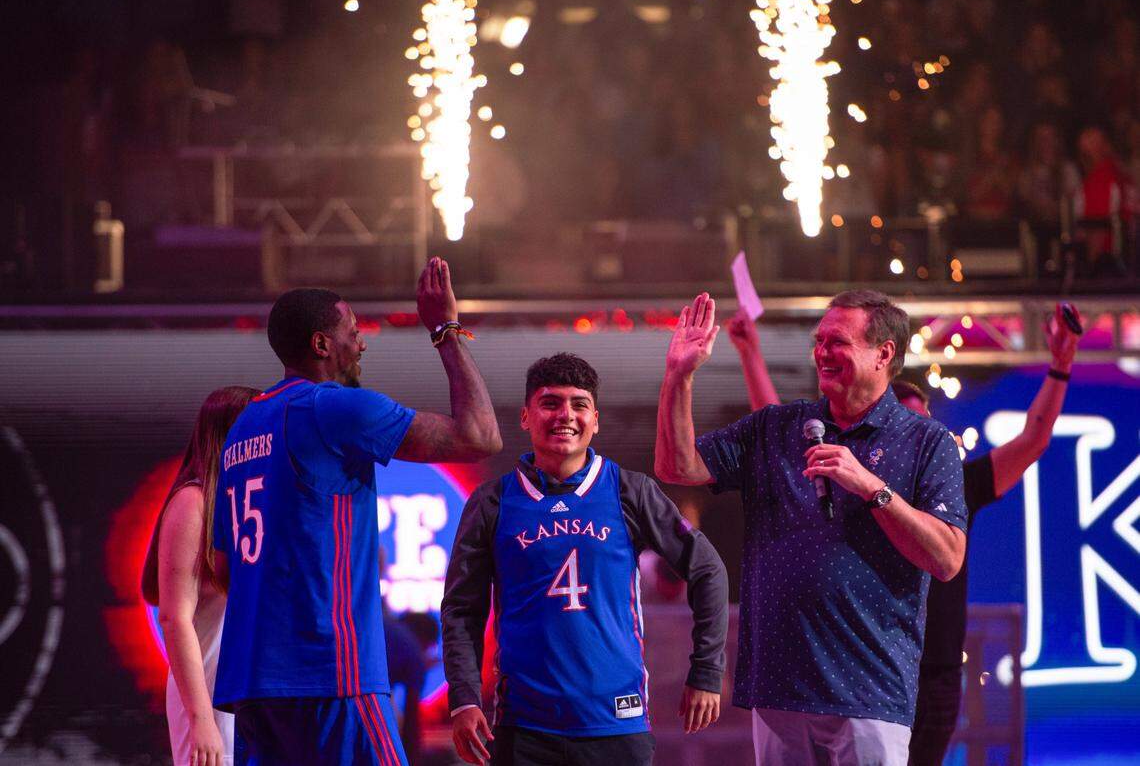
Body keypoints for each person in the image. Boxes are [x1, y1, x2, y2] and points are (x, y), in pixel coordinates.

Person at [656, 290, 967, 766]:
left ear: (883, 353)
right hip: (778, 688)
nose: (822, 352)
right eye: (819, 340)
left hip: (869, 692)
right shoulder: (777, 428)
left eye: (837, 341)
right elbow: (677, 467)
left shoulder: (927, 442)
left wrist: (872, 488)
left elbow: (946, 559)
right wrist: (679, 374)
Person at [213, 257, 501, 766]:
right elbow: (480, 437)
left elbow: (222, 566)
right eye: (353, 331)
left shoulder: (244, 426)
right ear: (322, 345)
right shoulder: (333, 407)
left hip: (252, 680)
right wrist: (445, 330)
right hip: (330, 673)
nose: (363, 342)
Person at [442, 352, 729, 766]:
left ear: (595, 419)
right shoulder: (492, 501)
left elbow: (707, 569)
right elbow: (461, 610)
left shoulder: (631, 491)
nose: (566, 415)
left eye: (579, 404)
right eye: (550, 403)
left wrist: (706, 670)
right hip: (523, 727)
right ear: (526, 416)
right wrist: (463, 699)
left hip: (617, 723)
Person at [897, 304, 1082, 766]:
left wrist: (1061, 366)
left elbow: (1033, 440)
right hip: (875, 674)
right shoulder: (860, 489)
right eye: (907, 424)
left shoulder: (955, 484)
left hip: (937, 675)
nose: (920, 435)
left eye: (925, 423)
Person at [142, 385, 259, 766]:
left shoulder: (247, 502)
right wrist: (202, 719)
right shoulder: (193, 503)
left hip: (252, 697)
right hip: (209, 697)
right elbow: (174, 618)